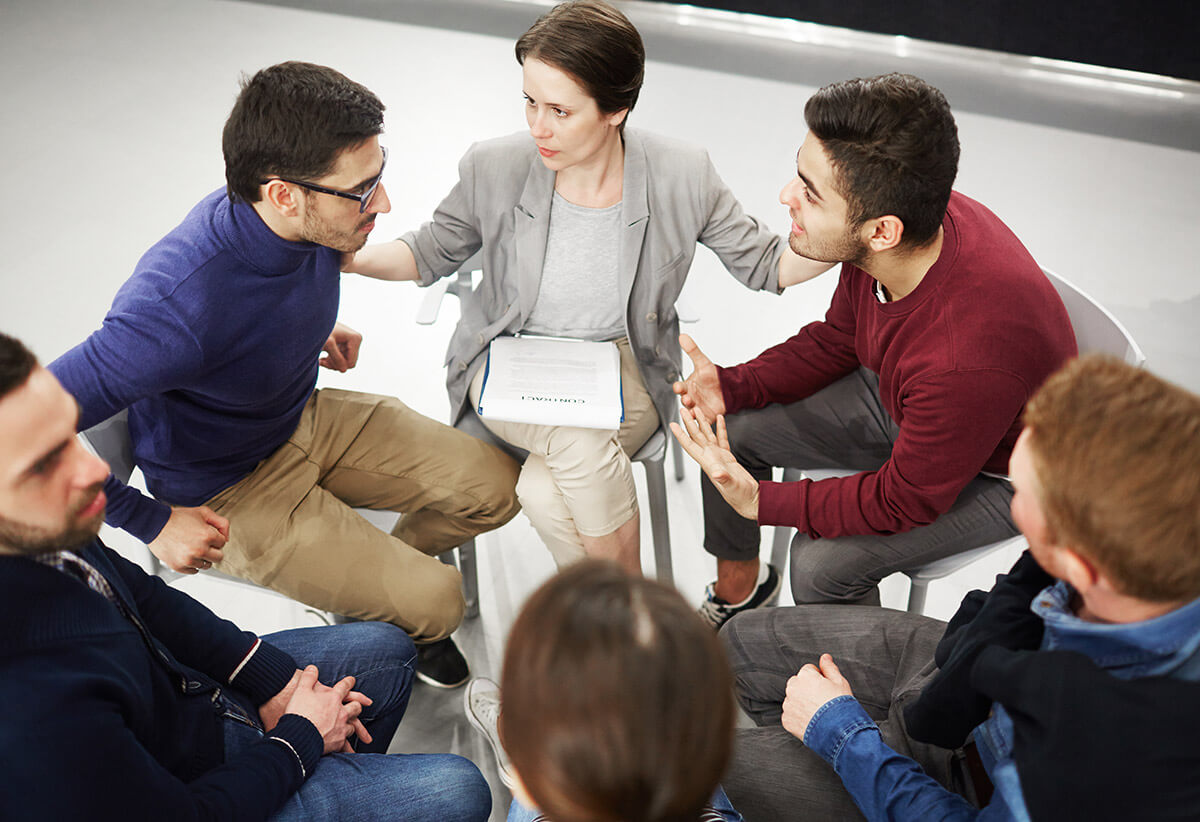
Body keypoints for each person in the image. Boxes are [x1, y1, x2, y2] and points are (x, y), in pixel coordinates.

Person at [48, 61, 522, 687]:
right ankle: (390, 594)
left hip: (300, 416)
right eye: (361, 191)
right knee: (441, 602)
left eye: (379, 177)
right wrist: (146, 519)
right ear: (283, 194)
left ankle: (371, 583)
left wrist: (300, 333)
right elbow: (18, 430)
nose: (381, 203)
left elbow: (261, 300)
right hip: (228, 489)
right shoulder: (176, 307)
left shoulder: (301, 220)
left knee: (501, 487)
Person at [344, 0, 825, 574]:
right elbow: (429, 251)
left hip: (625, 364)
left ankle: (614, 621)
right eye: (529, 101)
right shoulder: (495, 166)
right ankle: (636, 618)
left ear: (616, 109)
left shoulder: (681, 172)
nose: (536, 127)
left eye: (560, 111)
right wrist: (348, 257)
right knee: (577, 444)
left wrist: (846, 234)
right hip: (508, 363)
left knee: (545, 491)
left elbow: (768, 265)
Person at [0, 331, 492, 821]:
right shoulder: (32, 706)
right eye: (41, 466)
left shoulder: (38, 530)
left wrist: (269, 679)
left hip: (188, 705)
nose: (91, 471)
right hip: (193, 792)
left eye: (66, 435)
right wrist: (299, 740)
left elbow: (142, 596)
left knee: (390, 652)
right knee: (459, 789)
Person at [718, 354, 1200, 820]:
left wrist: (841, 735)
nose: (1011, 505)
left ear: (1078, 565)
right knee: (737, 641)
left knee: (696, 770)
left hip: (968, 792)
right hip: (968, 691)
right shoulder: (1146, 548)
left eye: (1022, 492)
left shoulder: (1099, 759)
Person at [671, 73, 1077, 625]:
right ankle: (742, 592)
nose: (786, 197)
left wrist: (762, 503)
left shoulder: (963, 360)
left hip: (1001, 471)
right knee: (732, 429)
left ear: (881, 231)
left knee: (818, 567)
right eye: (799, 174)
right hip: (910, 399)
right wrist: (733, 383)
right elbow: (842, 338)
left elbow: (904, 500)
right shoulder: (900, 231)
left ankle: (859, 698)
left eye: (810, 194)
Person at [463, 561, 743, 822]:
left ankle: (516, 740)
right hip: (688, 801)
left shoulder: (534, 796)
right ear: (724, 751)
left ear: (523, 787)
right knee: (668, 730)